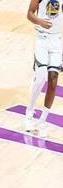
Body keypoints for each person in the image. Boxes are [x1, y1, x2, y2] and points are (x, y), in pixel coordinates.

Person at [24, 0, 62, 138]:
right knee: (40, 78)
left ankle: (42, 121)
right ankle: (29, 114)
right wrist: (39, 21)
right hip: (42, 39)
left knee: (53, 80)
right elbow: (29, 14)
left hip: (57, 41)